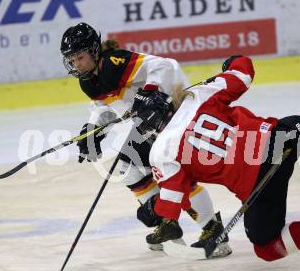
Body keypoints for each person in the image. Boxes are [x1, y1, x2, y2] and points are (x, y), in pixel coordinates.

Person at [130, 54, 300, 261]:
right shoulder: (199, 95)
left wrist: (151, 211)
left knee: (268, 249)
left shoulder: (161, 152)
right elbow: (244, 71)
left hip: (257, 185)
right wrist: (230, 63)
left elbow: (169, 208)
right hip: (275, 140)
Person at [60, 22, 231, 256]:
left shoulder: (114, 63)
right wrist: (93, 130)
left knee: (174, 172)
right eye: (72, 60)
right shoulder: (88, 81)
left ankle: (212, 231)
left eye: (79, 57)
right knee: (128, 166)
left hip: (176, 113)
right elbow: (105, 106)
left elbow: (166, 66)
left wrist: (151, 90)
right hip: (151, 123)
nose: (76, 64)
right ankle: (167, 223)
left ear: (93, 51)